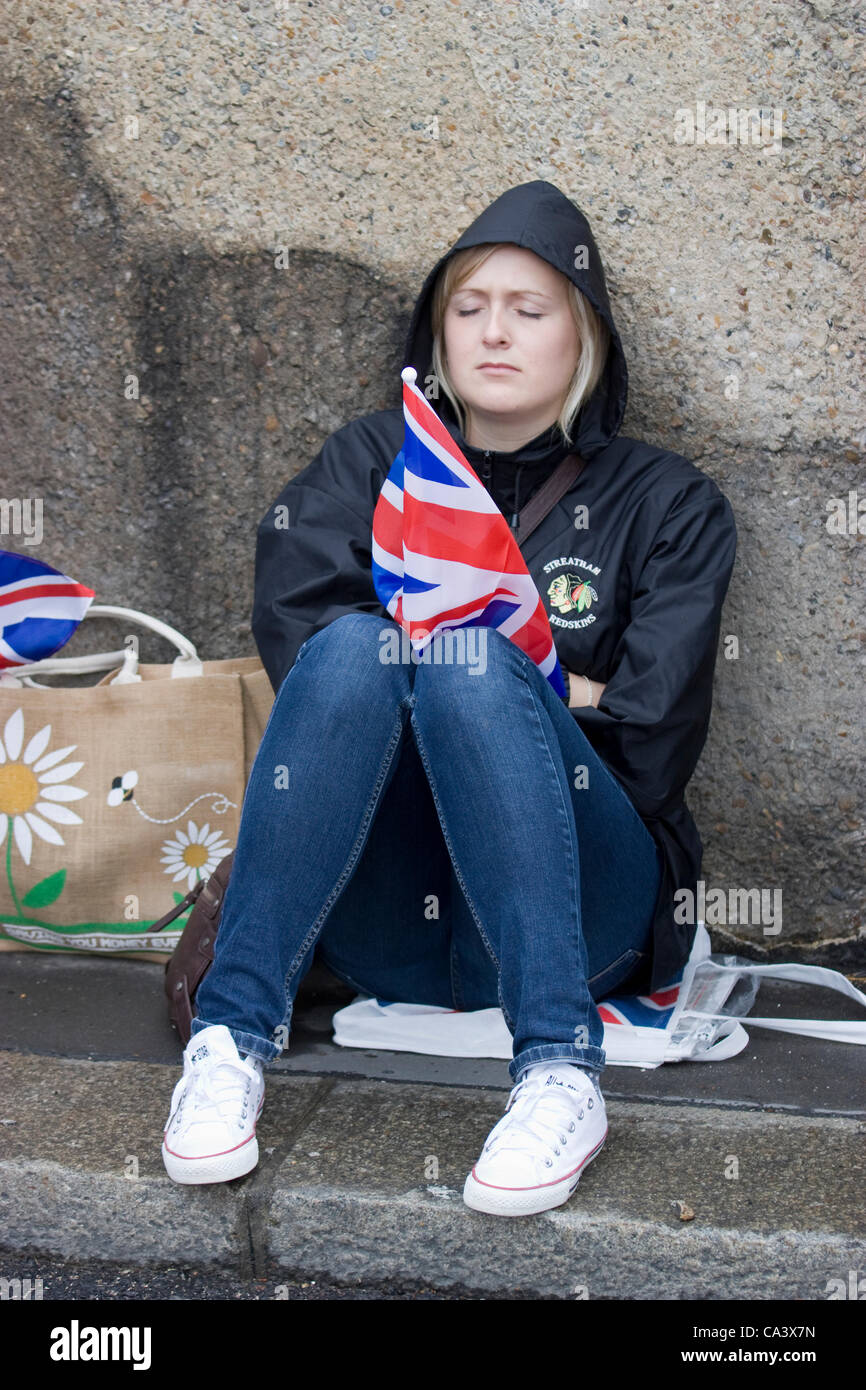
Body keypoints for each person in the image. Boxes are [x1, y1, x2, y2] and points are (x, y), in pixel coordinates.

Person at [161, 180, 737, 1217]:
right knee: (353, 650)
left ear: (583, 336)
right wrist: (551, 680)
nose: (493, 333)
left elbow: (650, 740)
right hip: (383, 910)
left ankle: (560, 1069)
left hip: (580, 904)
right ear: (435, 331)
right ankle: (231, 1037)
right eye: (468, 308)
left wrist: (503, 683)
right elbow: (316, 669)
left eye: (528, 308)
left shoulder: (667, 503)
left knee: (465, 667)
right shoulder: (368, 462)